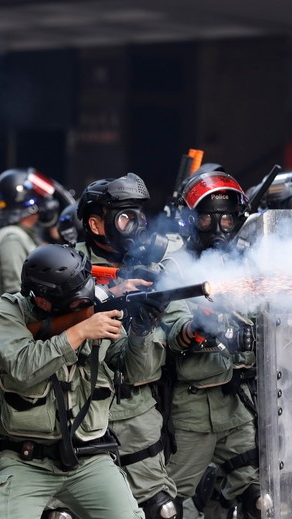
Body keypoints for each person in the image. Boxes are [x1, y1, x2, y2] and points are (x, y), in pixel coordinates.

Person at [0, 244, 148, 518]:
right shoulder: (7, 311)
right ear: (43, 302)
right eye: (77, 303)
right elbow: (21, 367)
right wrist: (81, 331)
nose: (87, 304)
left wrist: (141, 331)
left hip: (90, 459)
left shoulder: (96, 309)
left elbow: (133, 371)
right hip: (25, 460)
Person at [75, 173, 186, 518]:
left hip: (137, 412)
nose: (136, 226)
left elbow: (179, 325)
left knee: (160, 509)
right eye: (125, 216)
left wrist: (190, 329)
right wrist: (110, 296)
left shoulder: (153, 267)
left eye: (139, 215)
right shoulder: (67, 266)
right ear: (96, 224)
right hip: (79, 412)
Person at [166, 168, 264, 518]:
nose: (219, 227)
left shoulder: (247, 266)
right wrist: (198, 327)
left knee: (259, 498)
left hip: (238, 405)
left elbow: (267, 318)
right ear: (191, 220)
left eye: (227, 219)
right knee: (170, 504)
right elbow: (173, 331)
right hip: (191, 408)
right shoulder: (175, 267)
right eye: (208, 218)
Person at [0, 168, 59, 297]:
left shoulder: (22, 234)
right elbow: (16, 293)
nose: (45, 201)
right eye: (39, 196)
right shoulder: (12, 239)